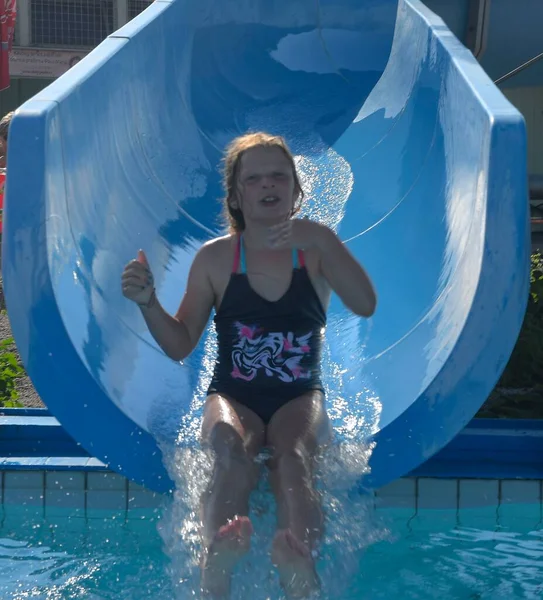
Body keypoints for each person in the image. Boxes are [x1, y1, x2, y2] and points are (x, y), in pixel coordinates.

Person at [121, 132, 377, 599]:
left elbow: (365, 304)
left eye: (279, 175)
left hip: (299, 394)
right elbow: (180, 344)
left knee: (293, 455)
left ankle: (301, 566)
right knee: (230, 450)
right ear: (237, 196)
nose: (267, 185)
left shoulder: (315, 247)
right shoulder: (216, 258)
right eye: (253, 178)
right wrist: (148, 303)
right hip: (232, 394)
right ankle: (214, 567)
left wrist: (322, 238)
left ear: (296, 189)